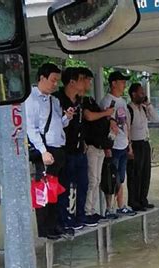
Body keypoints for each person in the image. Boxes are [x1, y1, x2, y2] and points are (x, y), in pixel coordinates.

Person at [25, 63, 74, 239]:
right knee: (43, 191)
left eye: (57, 81)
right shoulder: (31, 98)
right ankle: (45, 230)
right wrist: (43, 151)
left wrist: (66, 118)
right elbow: (31, 128)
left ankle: (55, 225)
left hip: (58, 148)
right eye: (53, 80)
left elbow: (56, 125)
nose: (55, 84)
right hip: (45, 150)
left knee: (55, 190)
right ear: (42, 78)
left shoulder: (55, 100)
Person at [52, 67, 98, 231]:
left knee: (83, 184)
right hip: (65, 151)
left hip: (80, 150)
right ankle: (64, 218)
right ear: (72, 82)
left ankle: (80, 215)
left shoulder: (79, 100)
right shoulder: (57, 100)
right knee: (64, 186)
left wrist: (84, 141)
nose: (84, 83)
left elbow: (82, 124)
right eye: (81, 79)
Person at [81, 68, 116, 222]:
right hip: (91, 146)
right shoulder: (82, 102)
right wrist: (106, 114)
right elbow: (88, 116)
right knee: (92, 180)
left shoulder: (90, 100)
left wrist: (110, 118)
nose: (90, 83)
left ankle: (92, 210)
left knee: (98, 180)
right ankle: (87, 211)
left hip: (101, 146)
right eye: (87, 80)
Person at [99, 71, 136, 216]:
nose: (124, 84)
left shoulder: (122, 102)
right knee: (110, 177)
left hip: (123, 144)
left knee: (121, 177)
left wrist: (129, 144)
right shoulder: (107, 101)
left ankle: (121, 206)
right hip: (112, 146)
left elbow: (125, 124)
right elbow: (104, 124)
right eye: (121, 81)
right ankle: (109, 208)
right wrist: (107, 147)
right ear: (113, 83)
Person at [126, 83, 159, 211]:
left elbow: (156, 118)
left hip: (145, 143)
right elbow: (127, 128)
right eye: (141, 93)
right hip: (135, 144)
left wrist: (148, 105)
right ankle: (134, 201)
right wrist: (129, 148)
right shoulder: (129, 109)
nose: (143, 94)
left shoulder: (144, 109)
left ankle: (143, 199)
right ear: (134, 94)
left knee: (146, 173)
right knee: (135, 173)